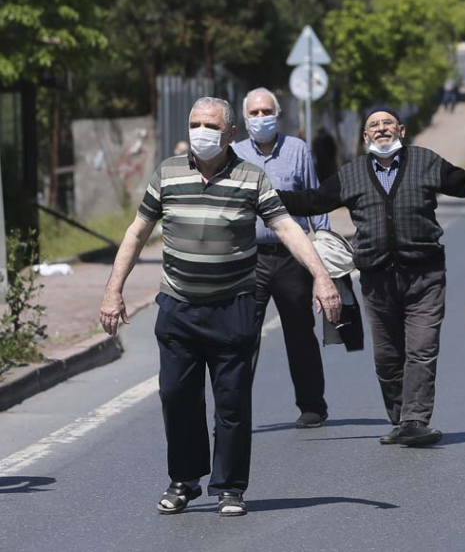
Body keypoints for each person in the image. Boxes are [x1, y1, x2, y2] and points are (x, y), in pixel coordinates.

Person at [99, 97, 341, 517]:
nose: (200, 131)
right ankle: (185, 479)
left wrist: (322, 277)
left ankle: (229, 486)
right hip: (178, 306)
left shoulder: (252, 177)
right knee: (176, 395)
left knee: (231, 401)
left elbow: (285, 227)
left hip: (233, 307)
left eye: (210, 125)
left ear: (231, 133)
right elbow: (138, 232)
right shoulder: (168, 172)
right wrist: (112, 290)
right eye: (195, 123)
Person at [278, 105, 465, 447]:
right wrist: (263, 196)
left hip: (425, 275)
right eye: (373, 125)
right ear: (365, 137)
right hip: (377, 281)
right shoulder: (351, 174)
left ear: (401, 131)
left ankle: (415, 419)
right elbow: (312, 201)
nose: (380, 129)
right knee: (388, 358)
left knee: (421, 350)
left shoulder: (425, 162)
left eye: (387, 123)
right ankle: (400, 419)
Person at [232, 88, 333, 429]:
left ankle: (312, 405)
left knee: (300, 332)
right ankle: (234, 410)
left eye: (266, 111)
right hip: (249, 259)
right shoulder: (233, 154)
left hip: (291, 257)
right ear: (244, 119)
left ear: (278, 114)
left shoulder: (297, 150)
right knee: (242, 335)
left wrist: (325, 256)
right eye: (254, 113)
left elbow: (314, 199)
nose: (261, 118)